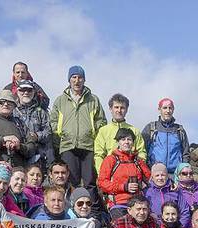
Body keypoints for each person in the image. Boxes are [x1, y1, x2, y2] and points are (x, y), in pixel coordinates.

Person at [50, 65, 107, 202]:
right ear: (69, 80)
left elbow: (102, 121)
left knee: (90, 181)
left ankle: (92, 211)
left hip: (88, 146)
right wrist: (62, 134)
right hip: (68, 146)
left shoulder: (93, 99)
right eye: (74, 77)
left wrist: (93, 134)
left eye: (80, 77)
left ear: (84, 80)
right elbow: (53, 121)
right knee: (71, 181)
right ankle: (71, 211)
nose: (77, 81)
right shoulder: (60, 100)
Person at [97, 128, 151, 219]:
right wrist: (124, 187)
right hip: (118, 203)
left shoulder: (138, 161)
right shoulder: (111, 160)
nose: (126, 142)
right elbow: (102, 183)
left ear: (133, 142)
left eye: (129, 139)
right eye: (123, 139)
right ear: (118, 142)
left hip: (137, 204)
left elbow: (151, 179)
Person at [0, 90, 36, 168]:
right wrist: (2, 140)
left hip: (19, 170)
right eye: (2, 102)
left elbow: (31, 147)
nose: (5, 105)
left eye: (9, 103)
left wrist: (19, 146)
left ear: (14, 106)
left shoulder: (21, 124)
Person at [93, 93, 146, 172]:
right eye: (116, 107)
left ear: (126, 110)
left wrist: (137, 170)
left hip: (130, 173)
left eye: (122, 108)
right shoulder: (103, 131)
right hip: (110, 173)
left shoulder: (134, 131)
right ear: (111, 109)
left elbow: (141, 152)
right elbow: (99, 155)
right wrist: (103, 173)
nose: (119, 110)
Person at [142, 98, 190, 175]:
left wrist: (183, 172)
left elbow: (186, 153)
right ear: (159, 109)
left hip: (175, 175)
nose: (168, 111)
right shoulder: (151, 128)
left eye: (170, 108)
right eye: (165, 108)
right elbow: (142, 151)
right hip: (155, 175)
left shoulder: (179, 130)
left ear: (173, 110)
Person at [14, 80, 53, 170]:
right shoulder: (12, 111)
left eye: (29, 90)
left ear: (34, 92)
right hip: (18, 153)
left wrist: (37, 136)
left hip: (38, 155)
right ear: (17, 91)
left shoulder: (41, 112)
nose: (26, 92)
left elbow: (48, 131)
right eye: (23, 90)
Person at [144, 163, 191, 228]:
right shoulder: (147, 192)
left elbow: (185, 211)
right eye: (157, 175)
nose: (160, 178)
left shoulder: (175, 190)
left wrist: (180, 227)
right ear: (152, 177)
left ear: (167, 176)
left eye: (163, 175)